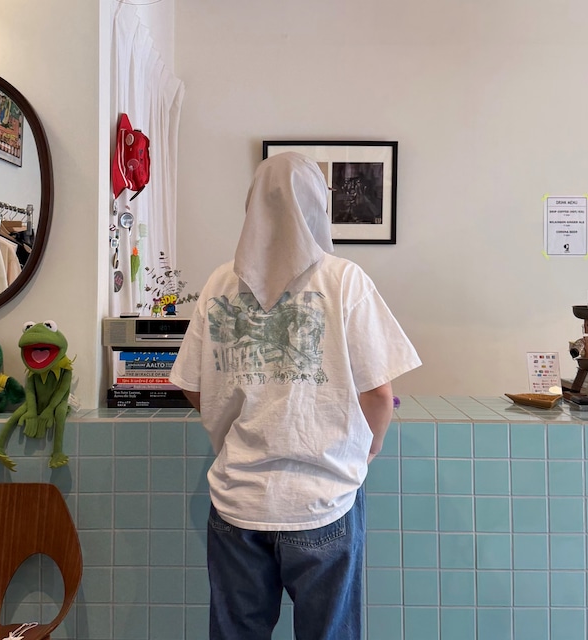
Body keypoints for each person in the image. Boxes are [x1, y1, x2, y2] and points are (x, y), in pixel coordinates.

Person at [169, 151, 421, 640]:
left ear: (252, 204)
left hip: (237, 501)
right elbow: (378, 391)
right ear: (318, 207)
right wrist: (368, 449)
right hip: (323, 500)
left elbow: (194, 387)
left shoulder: (219, 283)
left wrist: (230, 427)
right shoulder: (343, 280)